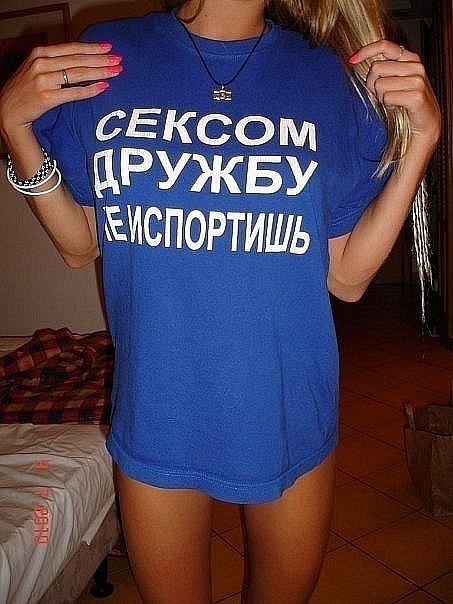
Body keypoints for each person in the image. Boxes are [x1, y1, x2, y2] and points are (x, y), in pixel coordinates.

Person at [0, 0, 440, 602]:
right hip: (159, 410)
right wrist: (15, 128)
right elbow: (80, 244)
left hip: (286, 408)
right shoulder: (107, 55)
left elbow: (347, 278)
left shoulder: (327, 77)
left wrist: (423, 140)